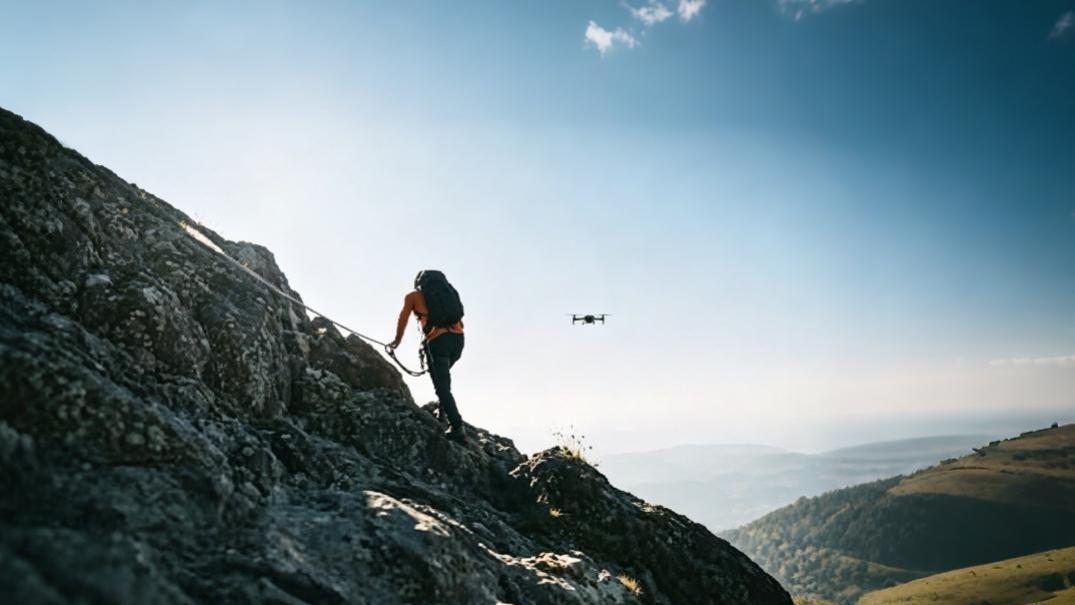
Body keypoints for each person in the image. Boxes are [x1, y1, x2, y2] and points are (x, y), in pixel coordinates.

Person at [388, 270, 466, 443]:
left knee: (442, 386)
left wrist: (396, 341)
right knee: (444, 379)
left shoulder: (413, 296)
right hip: (458, 341)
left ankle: (457, 427)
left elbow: (403, 318)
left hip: (438, 342)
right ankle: (443, 411)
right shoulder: (449, 293)